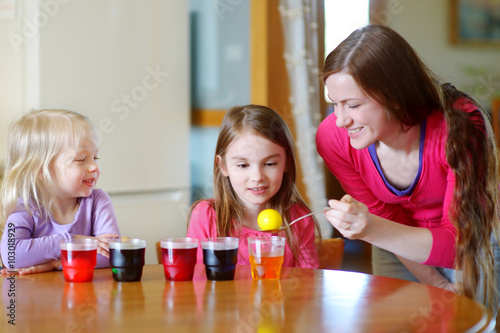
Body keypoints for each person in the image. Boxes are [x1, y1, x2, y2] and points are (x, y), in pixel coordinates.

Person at [316, 24, 500, 314]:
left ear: (394, 95)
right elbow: (385, 218)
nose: (340, 120)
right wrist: (435, 284)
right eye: (334, 104)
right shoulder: (333, 138)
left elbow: (457, 244)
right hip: (397, 244)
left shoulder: (460, 126)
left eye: (352, 105)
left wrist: (371, 228)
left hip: (472, 245)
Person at [187, 104, 320, 268]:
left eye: (270, 163)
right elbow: (198, 280)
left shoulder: (298, 219)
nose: (257, 177)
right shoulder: (206, 216)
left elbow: (307, 283)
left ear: (286, 163)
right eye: (243, 165)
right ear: (223, 167)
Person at [0, 109, 120, 275]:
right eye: (81, 159)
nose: (94, 167)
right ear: (41, 170)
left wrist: (55, 263)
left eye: (95, 157)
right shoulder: (24, 206)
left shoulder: (98, 201)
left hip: (85, 297)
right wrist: (71, 241)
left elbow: (113, 254)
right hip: (37, 297)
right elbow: (12, 256)